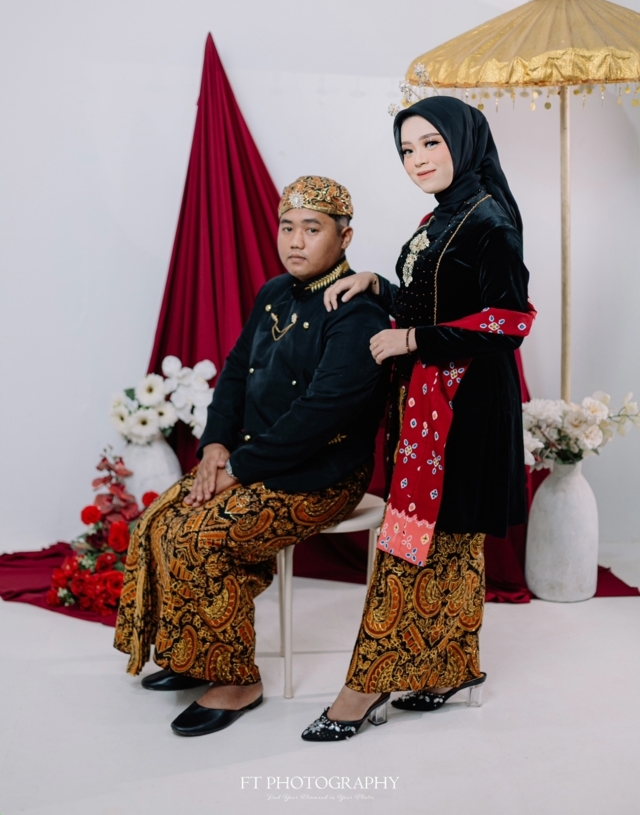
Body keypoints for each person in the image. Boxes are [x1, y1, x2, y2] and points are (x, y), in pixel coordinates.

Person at [114, 176, 390, 737]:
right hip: (253, 458)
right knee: (162, 519)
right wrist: (217, 444)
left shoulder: (358, 313)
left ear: (344, 238)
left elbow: (320, 415)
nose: (295, 241)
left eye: (312, 229)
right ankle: (194, 655)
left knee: (200, 535)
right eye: (287, 227)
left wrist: (237, 469)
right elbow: (237, 371)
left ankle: (237, 681)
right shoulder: (273, 292)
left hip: (322, 474)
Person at [301, 96, 535, 741]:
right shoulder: (446, 214)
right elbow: (438, 299)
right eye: (407, 149)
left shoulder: (488, 221)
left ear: (464, 141)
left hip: (465, 408)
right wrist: (379, 285)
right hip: (431, 401)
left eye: (431, 143)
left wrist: (412, 340)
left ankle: (363, 688)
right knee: (446, 540)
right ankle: (450, 669)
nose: (418, 159)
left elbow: (509, 322)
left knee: (416, 542)